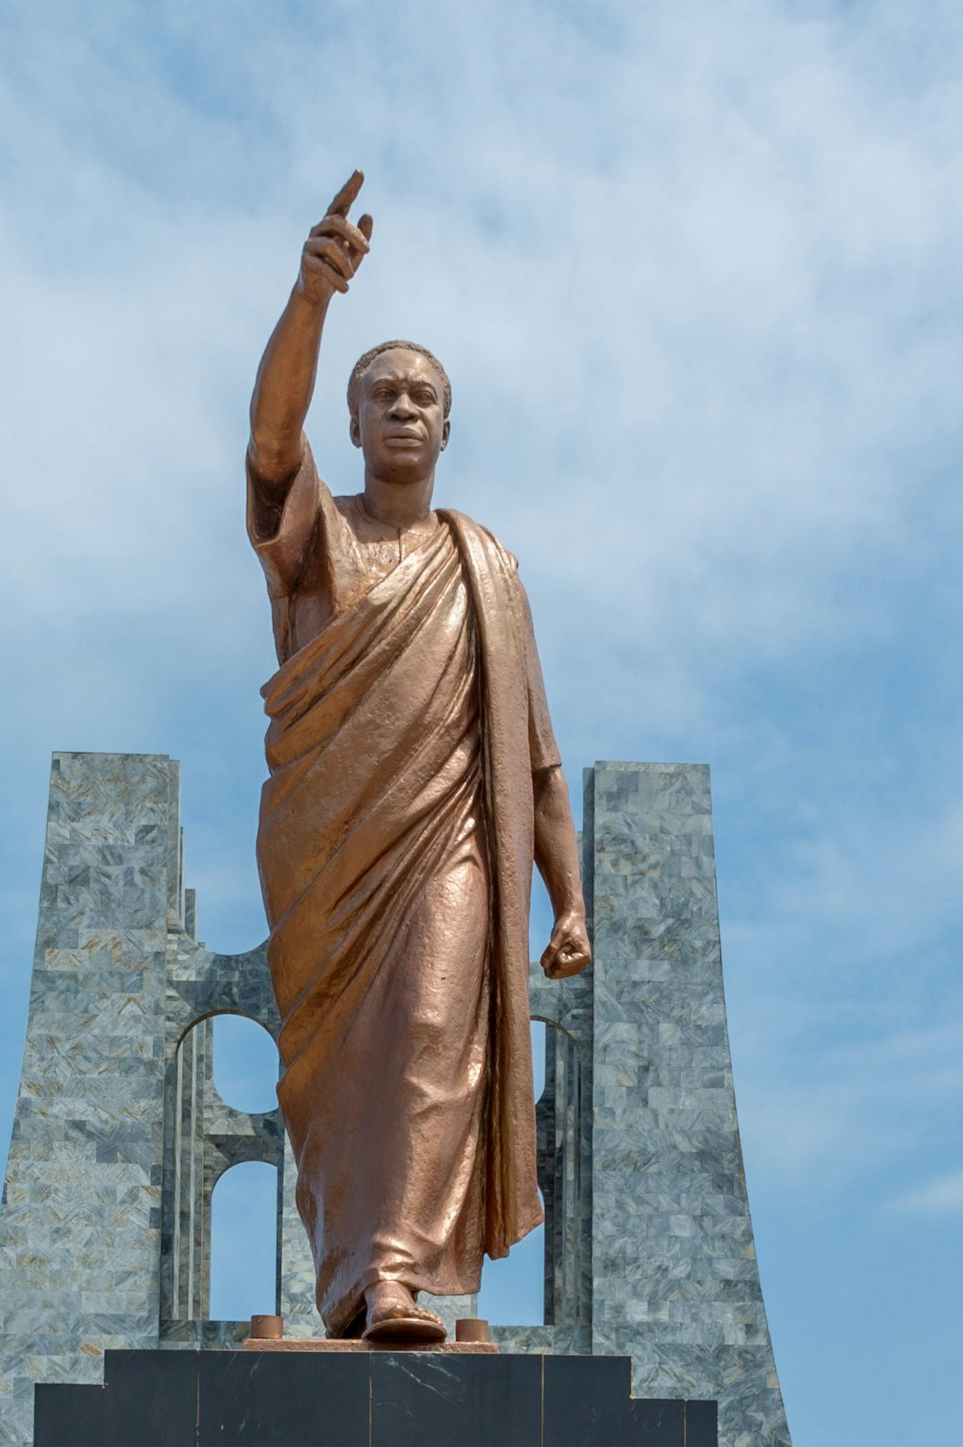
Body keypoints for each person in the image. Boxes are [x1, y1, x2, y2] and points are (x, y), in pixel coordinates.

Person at [245, 173, 591, 1345]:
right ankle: (353, 1279)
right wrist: (311, 296)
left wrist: (570, 900)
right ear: (353, 422)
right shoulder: (315, 538)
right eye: (382, 392)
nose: (402, 406)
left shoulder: (486, 570)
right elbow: (266, 439)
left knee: (437, 1038)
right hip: (323, 863)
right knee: (339, 1089)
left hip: (446, 846)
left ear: (449, 425)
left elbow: (535, 758)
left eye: (423, 395)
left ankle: (396, 1275)